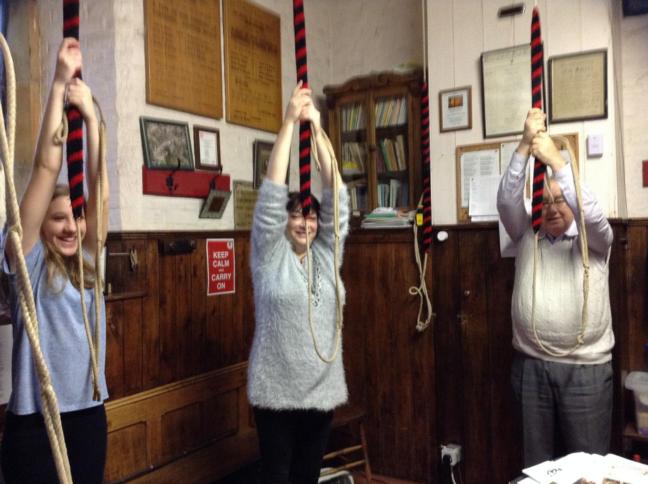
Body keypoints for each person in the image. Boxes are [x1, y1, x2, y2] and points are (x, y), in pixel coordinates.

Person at [0, 38, 109, 483]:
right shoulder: (28, 262)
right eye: (58, 218)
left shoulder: (89, 260)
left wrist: (95, 122)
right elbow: (46, 168)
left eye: (76, 218)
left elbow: (99, 188)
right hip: (36, 421)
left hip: (87, 416)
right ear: (41, 225)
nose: (70, 227)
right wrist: (60, 80)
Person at [497, 108, 614, 467]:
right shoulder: (526, 235)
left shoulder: (594, 238)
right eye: (545, 201)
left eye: (560, 200)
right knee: (536, 467)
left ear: (573, 202)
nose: (551, 208)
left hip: (586, 370)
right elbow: (506, 201)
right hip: (531, 366)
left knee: (588, 469)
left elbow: (591, 213)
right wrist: (523, 145)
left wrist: (555, 161)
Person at [247, 82, 349, 484]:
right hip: (275, 395)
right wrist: (289, 124)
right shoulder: (269, 256)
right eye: (296, 215)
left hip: (320, 392)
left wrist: (317, 129)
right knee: (277, 477)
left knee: (307, 477)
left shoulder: (327, 255)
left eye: (311, 216)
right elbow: (272, 193)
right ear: (284, 222)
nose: (305, 222)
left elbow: (336, 196)